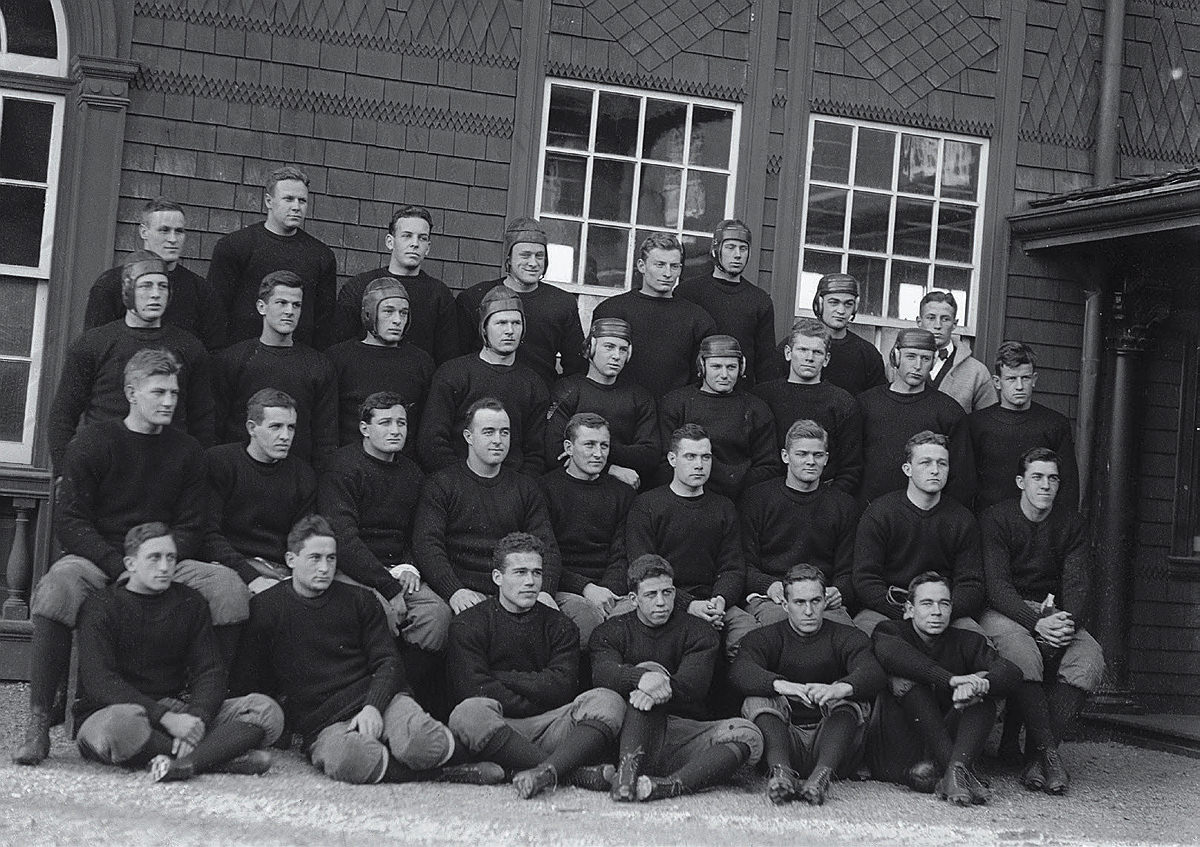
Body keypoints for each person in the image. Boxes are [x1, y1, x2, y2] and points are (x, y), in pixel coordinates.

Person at [14, 350, 248, 766]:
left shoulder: (188, 451)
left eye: (174, 392)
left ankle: (200, 712)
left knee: (228, 588)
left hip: (166, 558)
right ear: (131, 393)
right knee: (56, 587)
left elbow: (194, 525)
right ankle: (38, 719)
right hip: (102, 559)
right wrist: (120, 565)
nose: (169, 401)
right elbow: (70, 519)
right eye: (158, 391)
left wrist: (160, 562)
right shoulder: (93, 441)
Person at [234, 516, 490, 785]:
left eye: (331, 559)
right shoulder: (267, 608)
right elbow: (251, 676)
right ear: (290, 559)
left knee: (420, 739)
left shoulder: (358, 599)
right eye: (315, 558)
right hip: (324, 720)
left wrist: (373, 707)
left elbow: (388, 661)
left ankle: (474, 761)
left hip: (378, 700)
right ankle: (441, 773)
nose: (324, 568)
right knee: (349, 759)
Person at [74, 523, 283, 782]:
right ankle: (216, 758)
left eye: (170, 558)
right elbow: (100, 681)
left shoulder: (189, 601)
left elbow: (210, 670)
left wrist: (197, 718)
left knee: (266, 710)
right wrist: (165, 718)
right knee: (123, 725)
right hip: (111, 712)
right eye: (154, 558)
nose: (164, 567)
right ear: (130, 563)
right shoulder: (102, 605)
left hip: (174, 710)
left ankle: (186, 764)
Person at [445, 533, 626, 798]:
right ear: (498, 577)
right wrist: (537, 686)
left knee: (608, 700)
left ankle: (520, 767)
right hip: (498, 725)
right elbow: (473, 689)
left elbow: (562, 688)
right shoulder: (469, 624)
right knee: (468, 714)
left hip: (550, 725)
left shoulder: (561, 625)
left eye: (536, 573)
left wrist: (500, 678)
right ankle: (566, 772)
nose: (530, 582)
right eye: (519, 572)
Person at [580, 554, 763, 801]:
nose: (661, 602)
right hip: (626, 735)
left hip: (678, 735)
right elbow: (602, 673)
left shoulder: (699, 631)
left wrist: (653, 687)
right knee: (648, 672)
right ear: (633, 599)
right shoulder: (611, 630)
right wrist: (640, 678)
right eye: (651, 595)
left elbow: (692, 686)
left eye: (667, 593)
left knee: (747, 734)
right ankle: (626, 772)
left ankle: (668, 786)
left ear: (675, 592)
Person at [979, 447, 1104, 795]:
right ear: (1021, 481)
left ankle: (1036, 758)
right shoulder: (996, 519)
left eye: (1052, 478)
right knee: (1023, 652)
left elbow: (1078, 584)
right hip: (1005, 610)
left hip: (1052, 613)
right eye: (1037, 477)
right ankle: (1049, 753)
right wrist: (1035, 623)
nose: (1045, 485)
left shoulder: (1071, 524)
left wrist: (1068, 623)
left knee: (1088, 659)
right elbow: (997, 586)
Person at [731, 564, 886, 805]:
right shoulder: (763, 638)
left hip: (833, 748)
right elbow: (740, 671)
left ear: (826, 601)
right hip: (783, 742)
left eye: (816, 601)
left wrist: (838, 688)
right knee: (757, 699)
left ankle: (821, 778)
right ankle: (781, 775)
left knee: (851, 697)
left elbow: (873, 672)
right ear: (785, 605)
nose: (809, 611)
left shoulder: (847, 636)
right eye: (800, 602)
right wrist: (782, 685)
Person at [47, 251, 216, 469]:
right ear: (128, 291)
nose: (155, 294)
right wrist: (65, 472)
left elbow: (202, 420)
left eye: (162, 286)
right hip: (105, 467)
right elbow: (63, 415)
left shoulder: (190, 347)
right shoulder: (94, 344)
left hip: (166, 469)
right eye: (146, 286)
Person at [869, 572, 1021, 805]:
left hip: (943, 748)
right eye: (927, 603)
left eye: (944, 604)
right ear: (909, 609)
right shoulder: (889, 631)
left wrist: (980, 684)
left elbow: (1011, 672)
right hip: (898, 754)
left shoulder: (967, 641)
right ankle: (958, 774)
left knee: (981, 691)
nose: (937, 612)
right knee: (908, 682)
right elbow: (894, 657)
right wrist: (951, 680)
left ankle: (955, 772)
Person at [319, 392, 452, 654]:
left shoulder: (413, 473)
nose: (395, 431)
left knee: (437, 615)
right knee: (381, 611)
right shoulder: (343, 467)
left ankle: (408, 684)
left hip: (397, 570)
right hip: (355, 571)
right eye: (385, 423)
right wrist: (388, 586)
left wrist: (410, 567)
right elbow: (343, 540)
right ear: (364, 428)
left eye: (401, 423)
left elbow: (420, 533)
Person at [413, 399, 561, 614]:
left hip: (515, 590)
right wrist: (454, 591)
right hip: (464, 590)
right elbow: (427, 544)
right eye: (489, 432)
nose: (498, 440)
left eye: (504, 432)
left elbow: (546, 546)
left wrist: (545, 591)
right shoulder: (442, 484)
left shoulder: (525, 488)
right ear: (468, 437)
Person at [624, 424, 753, 656]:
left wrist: (720, 601)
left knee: (747, 631)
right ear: (673, 459)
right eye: (690, 456)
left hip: (715, 602)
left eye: (705, 457)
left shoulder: (723, 507)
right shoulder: (648, 505)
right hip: (664, 599)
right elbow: (643, 568)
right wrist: (690, 605)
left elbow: (732, 566)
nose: (699, 465)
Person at [853, 431, 985, 637]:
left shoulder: (962, 519)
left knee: (979, 642)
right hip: (890, 608)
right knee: (862, 638)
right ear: (907, 469)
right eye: (925, 463)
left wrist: (939, 612)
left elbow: (971, 584)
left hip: (943, 611)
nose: (935, 470)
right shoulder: (880, 513)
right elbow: (865, 580)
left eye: (942, 464)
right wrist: (907, 612)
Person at [740, 421, 859, 630]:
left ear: (826, 459)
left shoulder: (843, 505)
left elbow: (848, 570)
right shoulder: (757, 499)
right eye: (802, 454)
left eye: (818, 455)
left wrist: (838, 590)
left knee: (846, 639)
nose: (810, 461)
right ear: (785, 456)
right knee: (779, 634)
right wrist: (768, 585)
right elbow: (743, 564)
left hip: (822, 601)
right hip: (773, 600)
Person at [212, 270, 338, 469]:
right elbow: (214, 427)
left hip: (297, 478)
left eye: (296, 305)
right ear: (262, 307)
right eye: (281, 303)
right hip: (239, 474)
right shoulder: (233, 359)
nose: (290, 311)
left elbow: (325, 439)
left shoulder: (318, 365)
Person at [418, 285, 548, 475]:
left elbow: (535, 454)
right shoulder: (454, 374)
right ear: (484, 328)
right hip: (456, 482)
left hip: (510, 490)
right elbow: (432, 442)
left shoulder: (533, 384)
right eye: (501, 323)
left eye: (516, 323)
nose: (510, 331)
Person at [208, 165, 337, 348]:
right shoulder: (234, 246)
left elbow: (324, 323)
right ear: (269, 201)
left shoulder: (321, 256)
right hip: (241, 358)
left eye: (302, 201)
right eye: (288, 199)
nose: (296, 207)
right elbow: (215, 312)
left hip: (298, 361)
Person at [204, 388, 316, 592]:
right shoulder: (220, 463)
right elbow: (208, 533)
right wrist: (251, 576)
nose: (285, 436)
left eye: (291, 427)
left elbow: (303, 539)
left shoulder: (302, 474)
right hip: (230, 566)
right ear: (251, 428)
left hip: (281, 571)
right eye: (276, 427)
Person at [455, 217, 585, 389]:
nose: (533, 263)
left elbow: (576, 367)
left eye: (539, 256)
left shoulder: (562, 303)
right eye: (525, 255)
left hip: (540, 400)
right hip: (483, 397)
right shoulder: (475, 298)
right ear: (508, 258)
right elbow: (457, 360)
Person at [538, 413, 635, 643]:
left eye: (604, 446)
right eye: (589, 445)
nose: (598, 453)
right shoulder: (545, 489)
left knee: (639, 615)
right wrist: (586, 588)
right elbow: (546, 555)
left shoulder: (623, 493)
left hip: (610, 590)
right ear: (569, 448)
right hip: (564, 586)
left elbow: (622, 553)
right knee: (585, 616)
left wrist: (607, 592)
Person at [84, 197, 226, 350]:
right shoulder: (110, 284)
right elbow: (93, 350)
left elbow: (213, 354)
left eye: (179, 231)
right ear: (144, 232)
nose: (173, 239)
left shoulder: (201, 290)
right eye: (164, 230)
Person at [590, 233, 717, 401]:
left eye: (674, 266)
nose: (667, 273)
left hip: (674, 414)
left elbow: (701, 378)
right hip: (618, 407)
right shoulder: (612, 311)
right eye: (660, 265)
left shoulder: (698, 319)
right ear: (642, 266)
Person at [856, 328, 974, 506]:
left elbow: (961, 478)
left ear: (933, 362)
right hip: (870, 512)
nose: (918, 365)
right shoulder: (866, 404)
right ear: (896, 357)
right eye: (911, 356)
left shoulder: (949, 411)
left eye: (925, 358)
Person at [332, 206, 459, 363]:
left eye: (422, 238)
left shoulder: (439, 294)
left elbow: (447, 358)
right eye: (407, 236)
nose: (415, 244)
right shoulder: (359, 286)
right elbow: (340, 346)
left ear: (428, 248)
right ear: (390, 242)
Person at [657, 334, 777, 499]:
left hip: (738, 499)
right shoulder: (676, 403)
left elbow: (768, 466)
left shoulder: (756, 408)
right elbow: (665, 461)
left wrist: (734, 486)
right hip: (686, 497)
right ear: (702, 366)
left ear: (741, 369)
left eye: (731, 367)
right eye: (716, 366)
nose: (724, 375)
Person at [752, 317, 863, 494]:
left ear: (826, 359)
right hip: (767, 497)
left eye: (817, 352)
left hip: (821, 497)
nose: (809, 358)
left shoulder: (842, 402)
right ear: (788, 353)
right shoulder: (762, 397)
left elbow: (850, 468)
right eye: (802, 350)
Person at [545, 317, 659, 488]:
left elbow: (649, 454)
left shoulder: (639, 397)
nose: (616, 356)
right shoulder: (568, 389)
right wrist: (611, 468)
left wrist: (584, 449)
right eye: (609, 347)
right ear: (591, 348)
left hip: (621, 491)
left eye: (622, 350)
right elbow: (554, 450)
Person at [324, 278, 434, 451]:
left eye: (403, 313)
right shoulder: (339, 357)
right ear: (369, 313)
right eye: (388, 311)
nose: (397, 320)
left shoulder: (421, 361)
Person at [969, 342, 1079, 512]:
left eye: (1025, 378)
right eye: (1011, 378)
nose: (1019, 386)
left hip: (1039, 522)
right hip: (987, 522)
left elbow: (1068, 486)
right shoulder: (976, 424)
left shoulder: (1054, 424)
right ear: (997, 382)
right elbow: (965, 483)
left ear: (1034, 379)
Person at [676, 219, 775, 385]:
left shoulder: (760, 300)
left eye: (743, 248)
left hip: (741, 395)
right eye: (730, 247)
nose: (738, 254)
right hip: (694, 393)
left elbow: (766, 363)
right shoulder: (688, 292)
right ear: (716, 249)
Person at [806, 273, 886, 395]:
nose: (841, 311)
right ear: (820, 304)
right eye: (834, 302)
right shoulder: (796, 346)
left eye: (848, 304)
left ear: (855, 307)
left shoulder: (868, 354)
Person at [916, 290, 996, 413]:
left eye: (945, 319)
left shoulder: (976, 372)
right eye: (931, 318)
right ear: (919, 322)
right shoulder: (899, 366)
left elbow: (989, 421)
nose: (937, 325)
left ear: (954, 324)